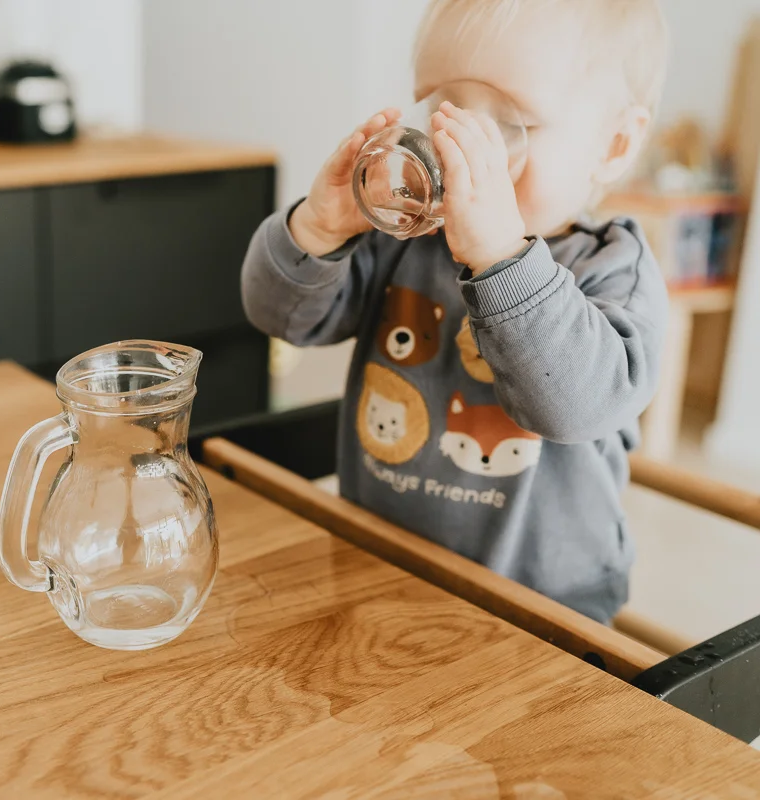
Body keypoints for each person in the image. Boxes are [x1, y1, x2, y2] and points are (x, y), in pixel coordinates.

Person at [240, 0, 670, 622]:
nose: (456, 148)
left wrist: (500, 258)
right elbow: (282, 317)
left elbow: (576, 406)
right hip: (380, 562)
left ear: (615, 144)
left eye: (510, 119)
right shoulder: (404, 237)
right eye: (442, 107)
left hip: (541, 604)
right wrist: (317, 229)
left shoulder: (614, 269)